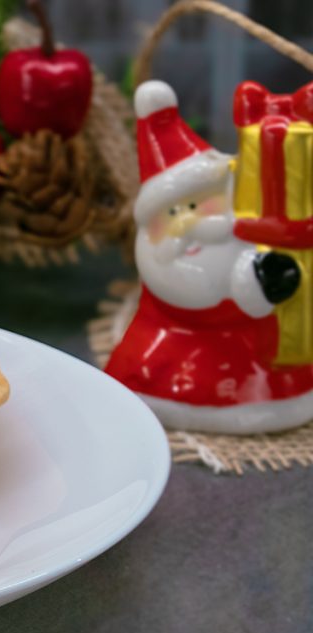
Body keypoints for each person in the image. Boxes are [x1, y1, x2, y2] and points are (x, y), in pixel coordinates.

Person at [104, 80, 313, 434]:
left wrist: (264, 278)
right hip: (162, 348)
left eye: (197, 207)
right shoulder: (160, 259)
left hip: (248, 364)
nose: (186, 221)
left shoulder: (243, 236)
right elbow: (188, 288)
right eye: (173, 212)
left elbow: (255, 288)